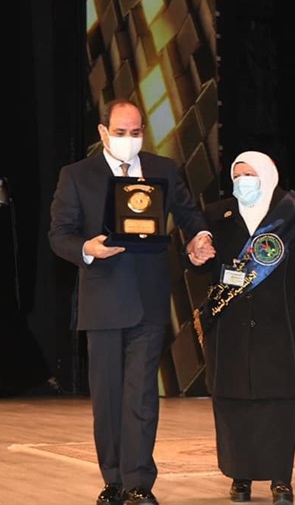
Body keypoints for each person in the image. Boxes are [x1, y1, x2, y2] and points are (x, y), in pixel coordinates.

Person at [48, 99, 215, 505]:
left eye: (136, 132)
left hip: (148, 299)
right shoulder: (77, 175)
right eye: (121, 133)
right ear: (103, 133)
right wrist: (87, 248)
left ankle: (139, 482)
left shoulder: (163, 169)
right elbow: (60, 235)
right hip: (103, 300)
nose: (129, 139)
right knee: (108, 396)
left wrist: (200, 238)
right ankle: (113, 480)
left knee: (141, 395)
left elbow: (188, 215)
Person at [190, 151, 295, 505]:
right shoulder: (216, 214)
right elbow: (198, 260)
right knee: (233, 401)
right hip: (229, 324)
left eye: (249, 174)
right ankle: (239, 476)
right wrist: (195, 255)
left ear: (268, 175)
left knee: (278, 403)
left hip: (280, 321)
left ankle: (280, 479)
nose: (243, 181)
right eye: (237, 175)